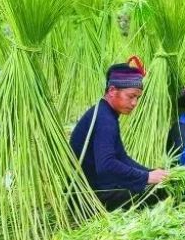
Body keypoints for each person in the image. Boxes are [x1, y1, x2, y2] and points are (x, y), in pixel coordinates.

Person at [70, 59, 169, 211]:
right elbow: (107, 166)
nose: (135, 103)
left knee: (157, 188)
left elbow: (121, 157)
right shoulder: (105, 120)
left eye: (137, 98)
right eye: (131, 96)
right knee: (159, 194)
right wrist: (146, 178)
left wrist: (149, 172)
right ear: (112, 91)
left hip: (93, 190)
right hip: (89, 198)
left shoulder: (105, 113)